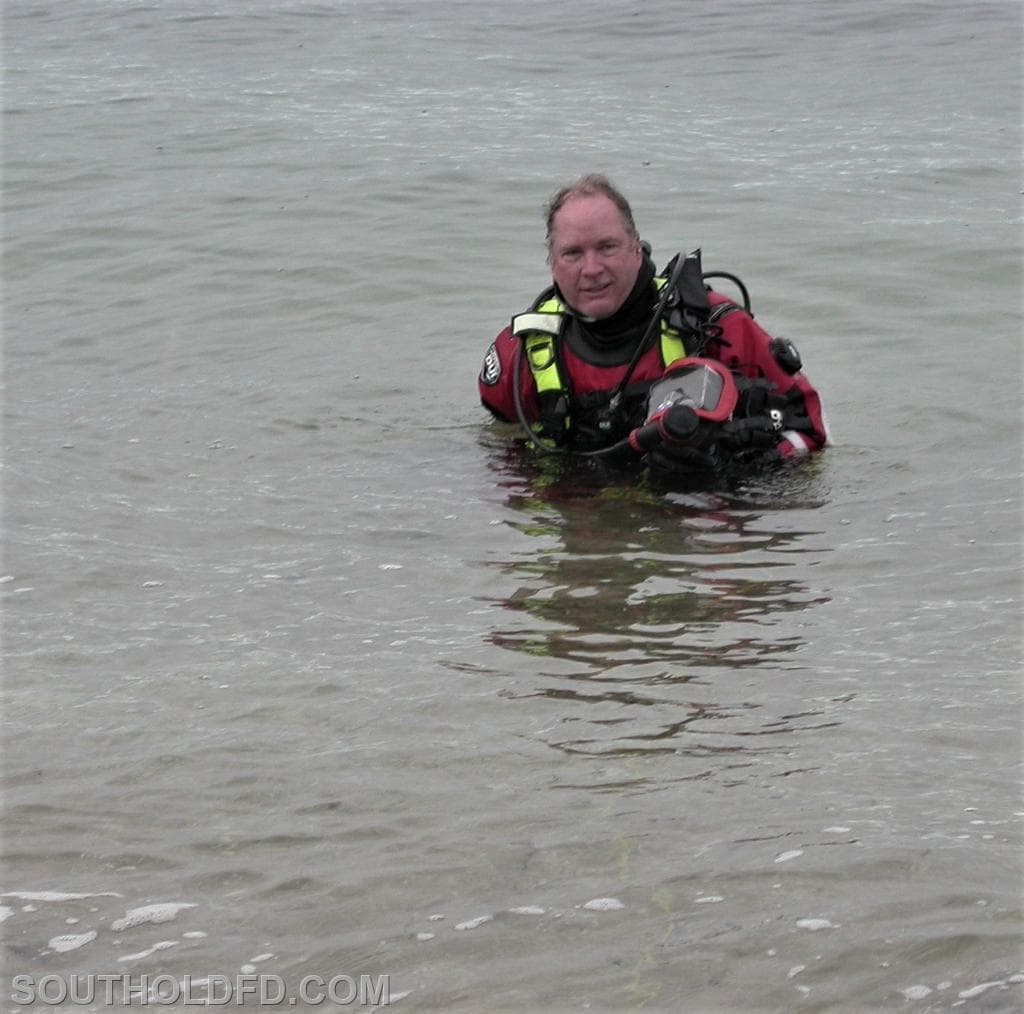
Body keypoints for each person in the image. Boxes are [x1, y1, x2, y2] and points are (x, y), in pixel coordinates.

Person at [478, 174, 827, 474]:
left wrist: (734, 465)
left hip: (693, 539)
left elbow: (810, 433)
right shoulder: (523, 351)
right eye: (573, 253)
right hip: (582, 531)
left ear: (636, 248)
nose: (592, 268)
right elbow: (500, 448)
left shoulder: (714, 327)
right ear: (551, 261)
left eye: (607, 247)